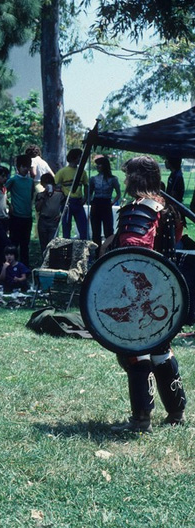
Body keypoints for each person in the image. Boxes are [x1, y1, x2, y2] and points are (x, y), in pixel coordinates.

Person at [110, 155, 186, 433]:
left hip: (139, 293)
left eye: (128, 175)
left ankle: (141, 419)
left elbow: (134, 247)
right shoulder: (166, 208)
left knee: (136, 353)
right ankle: (176, 412)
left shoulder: (138, 209)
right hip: (165, 291)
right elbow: (175, 239)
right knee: (161, 350)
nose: (126, 180)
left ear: (136, 178)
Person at [6, 153, 34, 267]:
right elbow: (2, 192)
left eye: (27, 166)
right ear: (18, 167)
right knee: (14, 243)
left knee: (25, 244)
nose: (26, 169)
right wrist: (9, 204)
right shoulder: (13, 180)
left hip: (27, 216)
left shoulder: (30, 181)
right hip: (16, 216)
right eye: (23, 166)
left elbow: (31, 195)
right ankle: (11, 265)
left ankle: (24, 267)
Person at [89, 155, 121, 255]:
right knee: (96, 230)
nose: (97, 166)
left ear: (105, 166)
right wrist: (90, 201)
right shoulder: (93, 179)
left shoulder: (113, 179)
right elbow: (90, 192)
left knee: (108, 230)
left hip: (106, 203)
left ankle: (109, 251)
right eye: (97, 164)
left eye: (100, 164)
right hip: (96, 203)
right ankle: (97, 253)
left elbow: (118, 193)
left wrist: (112, 202)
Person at [54, 148, 88, 239]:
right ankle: (66, 250)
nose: (81, 159)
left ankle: (83, 249)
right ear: (74, 158)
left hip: (79, 202)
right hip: (67, 203)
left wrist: (85, 198)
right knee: (66, 228)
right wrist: (61, 195)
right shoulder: (63, 172)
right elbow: (55, 184)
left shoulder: (82, 172)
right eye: (79, 157)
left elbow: (86, 185)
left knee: (83, 227)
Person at [35, 173, 65, 254]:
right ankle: (44, 261)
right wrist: (44, 194)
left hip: (53, 221)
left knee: (53, 245)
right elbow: (37, 208)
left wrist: (61, 215)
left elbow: (65, 207)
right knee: (43, 245)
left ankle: (52, 263)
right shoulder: (40, 195)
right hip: (43, 221)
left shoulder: (60, 194)